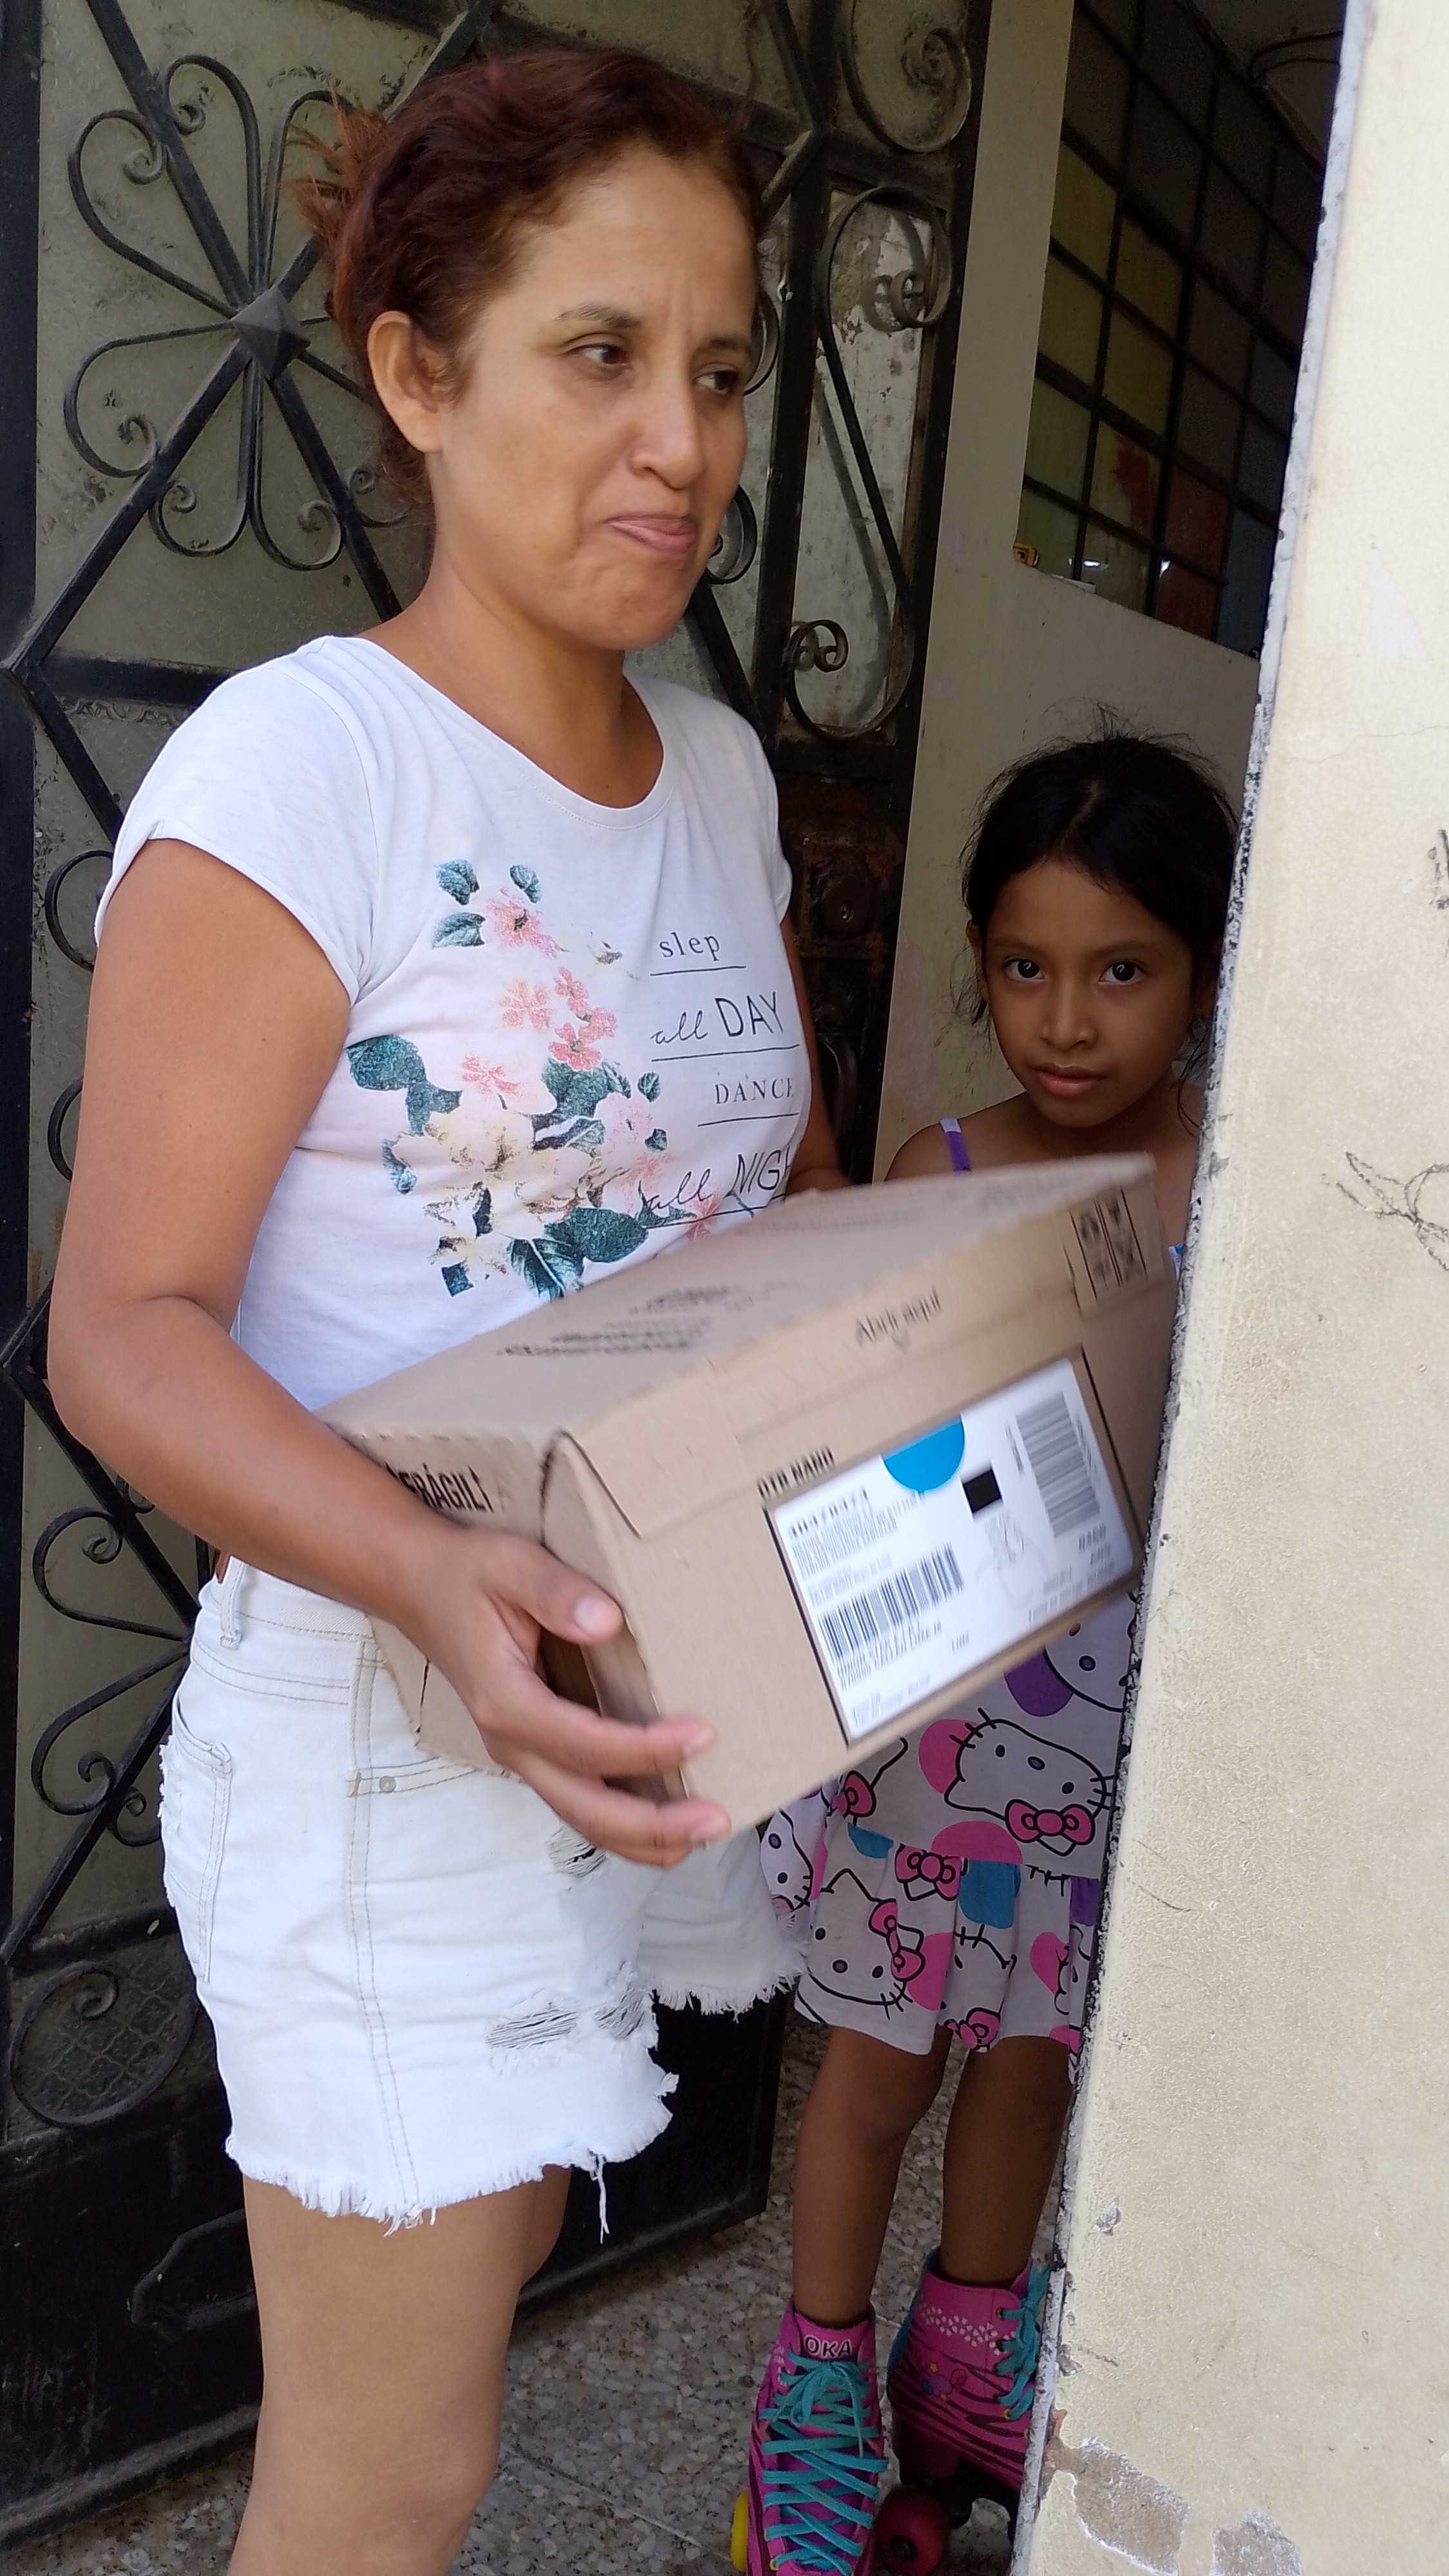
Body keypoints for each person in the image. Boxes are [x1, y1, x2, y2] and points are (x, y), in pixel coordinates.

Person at [48, 49, 846, 2576]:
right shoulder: (306, 774)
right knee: (387, 2479)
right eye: (598, 354)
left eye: (718, 369)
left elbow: (793, 1212)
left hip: (639, 1689)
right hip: (398, 1725)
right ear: (415, 371)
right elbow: (125, 1330)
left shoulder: (715, 774)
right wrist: (428, 1570)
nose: (680, 444)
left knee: (473, 2324)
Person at [738, 730, 1236, 2576]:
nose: (1068, 1021)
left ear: (1204, 970)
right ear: (977, 961)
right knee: (876, 2066)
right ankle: (815, 2390)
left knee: (1034, 2059)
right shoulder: (935, 1170)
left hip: (1119, 1735)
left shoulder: (1233, 1180)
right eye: (1025, 966)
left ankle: (966, 2372)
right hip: (935, 1729)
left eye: (1123, 970)